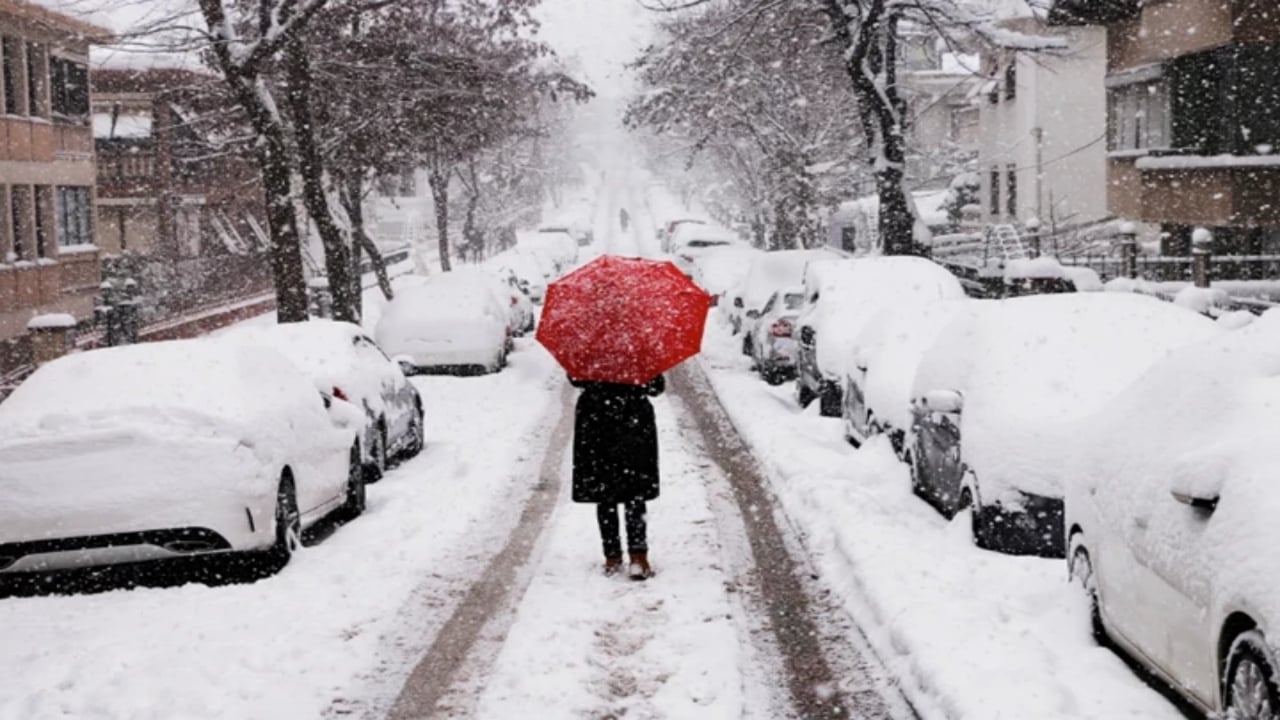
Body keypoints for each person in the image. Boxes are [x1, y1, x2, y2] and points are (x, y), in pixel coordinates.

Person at [569, 374, 665, 580]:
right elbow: (656, 387)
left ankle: (612, 556)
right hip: (633, 423)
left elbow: (575, 379)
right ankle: (638, 556)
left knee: (606, 494)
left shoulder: (589, 349)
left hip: (596, 423)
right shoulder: (640, 351)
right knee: (634, 492)